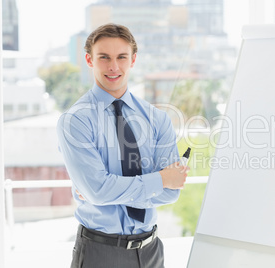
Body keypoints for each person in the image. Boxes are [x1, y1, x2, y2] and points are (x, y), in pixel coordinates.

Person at [57, 23, 188, 268]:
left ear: (133, 60)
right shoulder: (75, 121)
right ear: (89, 59)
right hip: (100, 252)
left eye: (121, 57)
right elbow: (98, 190)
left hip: (151, 252)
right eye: (104, 57)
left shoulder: (157, 119)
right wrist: (159, 179)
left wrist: (109, 190)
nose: (113, 66)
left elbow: (171, 192)